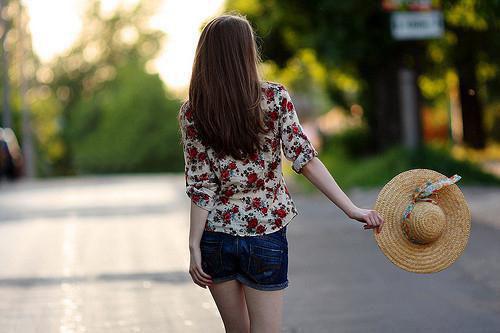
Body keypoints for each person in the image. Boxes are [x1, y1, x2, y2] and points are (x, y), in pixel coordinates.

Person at [178, 13, 384, 333]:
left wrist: (194, 244)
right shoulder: (273, 99)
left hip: (216, 238)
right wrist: (351, 208)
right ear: (246, 53)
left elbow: (201, 184)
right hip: (265, 231)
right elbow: (305, 160)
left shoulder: (193, 110)